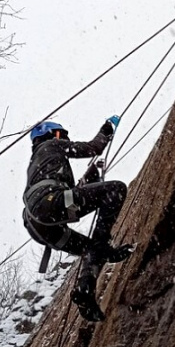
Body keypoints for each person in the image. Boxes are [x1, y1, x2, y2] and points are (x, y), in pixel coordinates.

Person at [22, 116, 132, 321]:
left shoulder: (38, 161)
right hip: (50, 204)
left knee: (89, 251)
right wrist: (106, 129)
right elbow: (94, 147)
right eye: (63, 136)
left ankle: (85, 292)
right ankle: (102, 245)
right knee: (116, 190)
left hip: (38, 225)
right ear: (54, 134)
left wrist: (91, 180)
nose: (65, 139)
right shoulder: (51, 144)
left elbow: (73, 196)